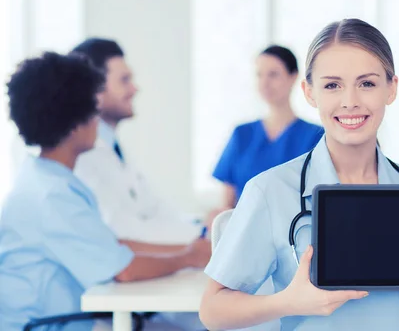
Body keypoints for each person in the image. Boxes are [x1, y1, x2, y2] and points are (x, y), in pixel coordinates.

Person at [199, 19, 399, 331]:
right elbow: (212, 311)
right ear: (310, 92)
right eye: (332, 85)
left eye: (367, 83)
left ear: (391, 88)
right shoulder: (270, 191)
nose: (350, 101)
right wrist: (288, 302)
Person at [0, 52, 208, 331]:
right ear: (74, 125)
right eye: (91, 111)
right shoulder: (54, 196)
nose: (97, 120)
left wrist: (191, 251)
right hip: (50, 325)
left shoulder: (44, 179)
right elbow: (125, 270)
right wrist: (189, 257)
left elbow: (113, 247)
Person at [72, 38, 206, 245]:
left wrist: (203, 226)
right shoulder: (83, 156)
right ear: (94, 90)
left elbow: (154, 209)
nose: (134, 89)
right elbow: (121, 229)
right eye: (124, 80)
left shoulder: (114, 148)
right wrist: (200, 235)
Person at [208, 45, 324, 224]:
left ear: (293, 77)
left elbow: (317, 200)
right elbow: (227, 204)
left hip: (294, 231)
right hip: (245, 231)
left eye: (273, 74)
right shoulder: (242, 134)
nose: (264, 83)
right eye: (259, 75)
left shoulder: (315, 136)